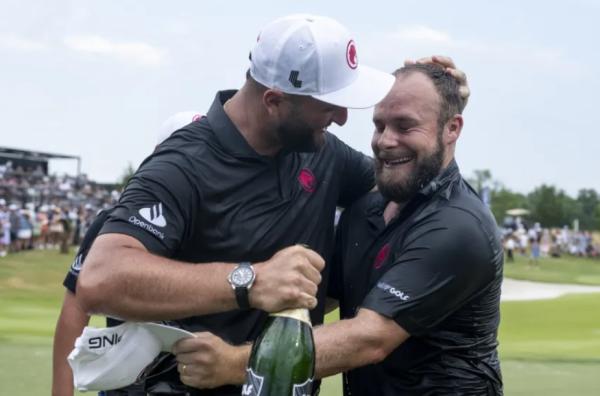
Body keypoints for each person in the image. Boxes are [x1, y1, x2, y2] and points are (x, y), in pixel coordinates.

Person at [173, 63, 502, 395]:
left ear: (452, 129)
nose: (386, 140)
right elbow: (319, 297)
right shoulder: (367, 210)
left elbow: (369, 337)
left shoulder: (459, 226)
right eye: (379, 125)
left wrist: (234, 362)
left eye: (405, 126)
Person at [52, 111, 203, 396]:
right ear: (160, 156)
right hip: (129, 387)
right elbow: (74, 311)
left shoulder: (238, 226)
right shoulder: (115, 223)